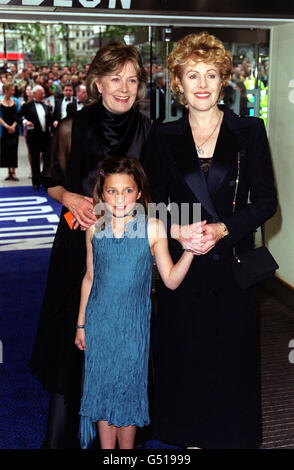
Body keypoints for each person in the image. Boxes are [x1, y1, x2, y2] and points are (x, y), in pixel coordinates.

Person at [147, 31, 277, 449]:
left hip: (229, 267)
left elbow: (266, 203)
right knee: (183, 358)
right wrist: (179, 230)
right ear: (178, 84)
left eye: (210, 75)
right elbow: (150, 205)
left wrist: (221, 229)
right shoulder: (162, 136)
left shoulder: (249, 130)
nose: (201, 84)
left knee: (229, 361)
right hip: (182, 268)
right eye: (191, 75)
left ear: (224, 81)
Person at [30, 42, 151, 449]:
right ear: (97, 83)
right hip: (77, 245)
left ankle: (119, 433)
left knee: (121, 339)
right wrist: (69, 198)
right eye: (115, 78)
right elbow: (51, 180)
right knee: (73, 336)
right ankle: (64, 435)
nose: (124, 87)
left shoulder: (149, 130)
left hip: (128, 252)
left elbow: (156, 192)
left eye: (132, 79)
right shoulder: (72, 126)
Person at [75, 155, 195, 449]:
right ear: (102, 193)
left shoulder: (153, 227)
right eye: (112, 191)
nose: (120, 199)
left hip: (133, 327)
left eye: (128, 191)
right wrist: (81, 325)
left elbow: (170, 280)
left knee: (128, 390)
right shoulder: (95, 227)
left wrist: (190, 251)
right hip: (98, 323)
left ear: (139, 192)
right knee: (101, 390)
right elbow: (89, 277)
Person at [16, 85, 53, 190]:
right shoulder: (27, 106)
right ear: (35, 94)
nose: (44, 95)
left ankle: (46, 181)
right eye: (42, 93)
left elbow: (50, 119)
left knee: (47, 160)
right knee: (35, 160)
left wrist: (53, 122)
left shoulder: (46, 106)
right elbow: (17, 116)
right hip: (34, 138)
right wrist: (25, 122)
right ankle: (36, 182)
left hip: (45, 137)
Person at [0, 82, 21, 181]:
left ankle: (14, 171)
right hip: (4, 129)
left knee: (14, 149)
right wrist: (7, 126)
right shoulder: (0, 101)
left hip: (14, 128)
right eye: (12, 90)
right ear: (6, 91)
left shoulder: (15, 101)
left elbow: (18, 114)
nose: (13, 92)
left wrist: (13, 126)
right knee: (6, 150)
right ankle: (8, 171)